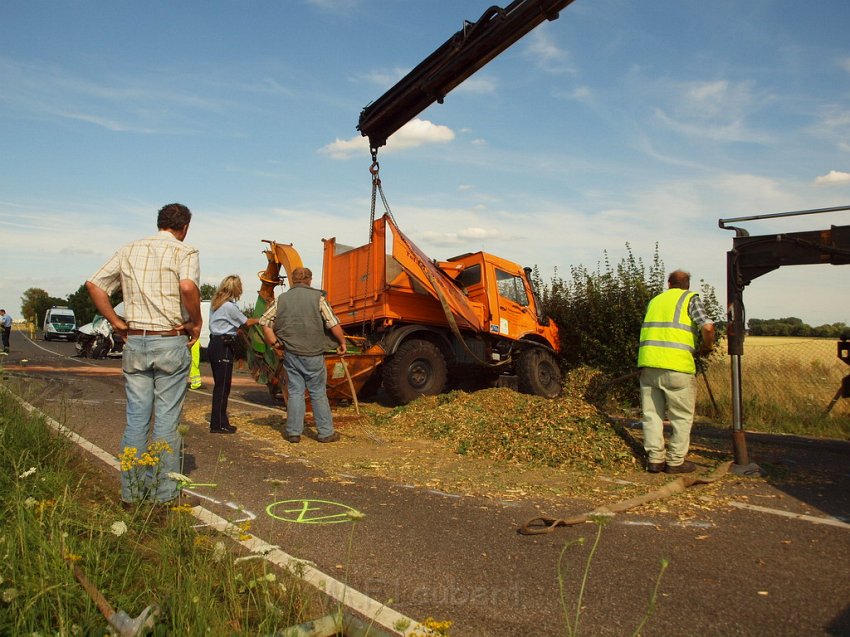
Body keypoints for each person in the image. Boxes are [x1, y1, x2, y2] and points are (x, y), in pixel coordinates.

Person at [86, 203, 202, 505]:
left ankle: (132, 492)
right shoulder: (185, 251)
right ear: (185, 226)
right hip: (170, 339)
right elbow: (187, 286)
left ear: (159, 222)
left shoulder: (128, 250)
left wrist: (115, 322)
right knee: (166, 420)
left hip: (136, 340)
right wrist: (196, 321)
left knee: (136, 419)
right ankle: (163, 497)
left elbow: (94, 283)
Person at [637, 269, 715, 474]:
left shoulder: (655, 301)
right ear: (687, 285)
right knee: (680, 417)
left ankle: (654, 460)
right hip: (678, 368)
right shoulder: (690, 299)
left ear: (669, 284)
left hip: (649, 366)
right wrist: (708, 347)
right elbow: (707, 327)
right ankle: (675, 462)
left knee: (652, 416)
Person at [264, 267, 346, 443]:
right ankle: (325, 433)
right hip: (314, 354)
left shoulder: (282, 299)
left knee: (295, 392)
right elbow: (333, 324)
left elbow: (265, 323)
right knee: (317, 393)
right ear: (309, 280)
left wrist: (275, 343)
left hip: (292, 354)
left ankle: (293, 432)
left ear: (293, 281)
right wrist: (342, 342)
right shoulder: (318, 298)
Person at [207, 275, 259, 434]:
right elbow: (246, 322)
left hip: (215, 343)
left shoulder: (216, 304)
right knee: (223, 387)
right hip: (224, 345)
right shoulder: (229, 306)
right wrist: (262, 319)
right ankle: (219, 424)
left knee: (220, 385)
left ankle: (219, 421)